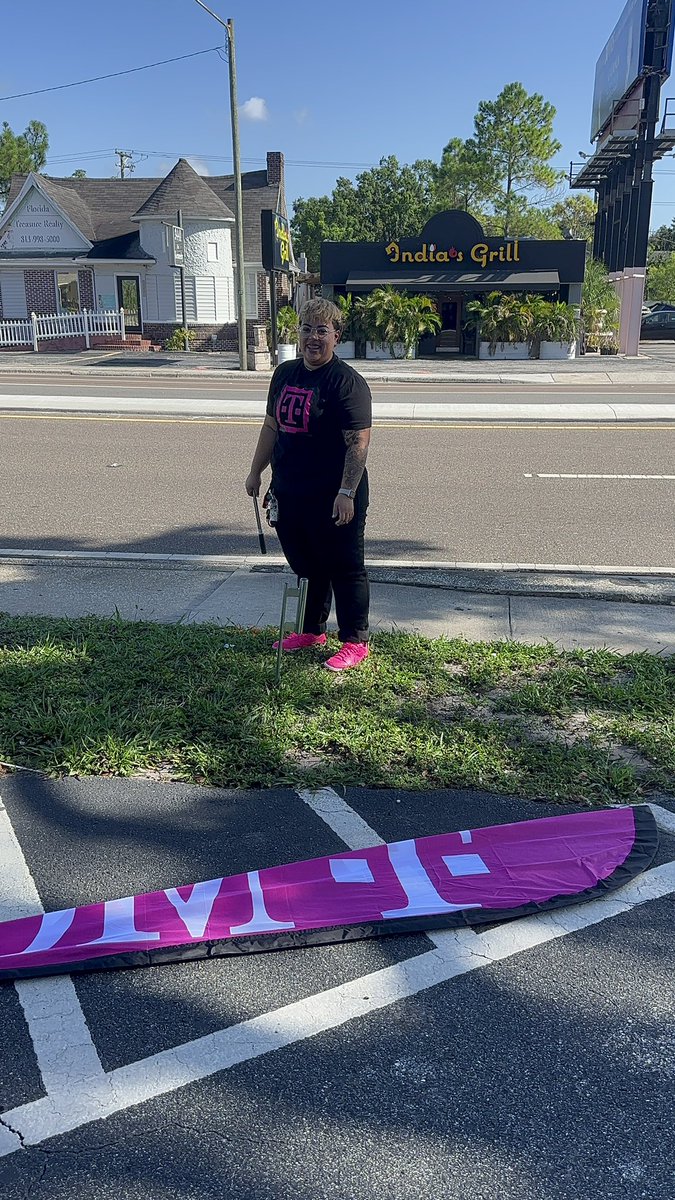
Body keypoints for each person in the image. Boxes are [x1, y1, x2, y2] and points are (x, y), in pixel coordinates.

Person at [245, 297, 372, 671]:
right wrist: (257, 472)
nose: (313, 337)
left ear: (336, 336)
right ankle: (312, 630)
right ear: (297, 333)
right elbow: (272, 426)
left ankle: (354, 640)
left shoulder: (347, 383)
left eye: (322, 330)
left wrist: (347, 493)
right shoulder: (284, 374)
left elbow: (358, 442)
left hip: (335, 496)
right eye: (306, 329)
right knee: (305, 565)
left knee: (345, 567)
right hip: (290, 491)